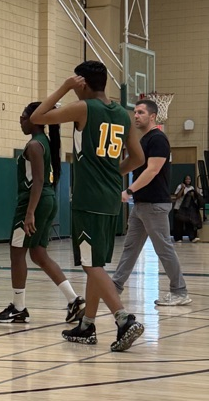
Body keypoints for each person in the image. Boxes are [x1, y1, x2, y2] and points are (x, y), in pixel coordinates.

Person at [31, 61, 145, 352]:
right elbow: (138, 158)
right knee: (96, 265)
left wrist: (64, 87)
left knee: (90, 264)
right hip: (111, 198)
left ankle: (124, 319)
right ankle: (87, 325)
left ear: (82, 82)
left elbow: (37, 117)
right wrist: (112, 173)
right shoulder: (123, 114)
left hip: (88, 198)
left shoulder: (84, 108)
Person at [0, 102, 84, 324]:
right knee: (38, 254)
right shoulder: (45, 142)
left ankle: (18, 307)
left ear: (35, 119)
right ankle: (74, 300)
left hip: (34, 201)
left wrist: (30, 213)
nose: (20, 120)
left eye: (23, 116)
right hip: (47, 199)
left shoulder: (35, 144)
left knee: (17, 252)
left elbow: (39, 180)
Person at [111, 99, 191, 306]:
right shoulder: (144, 140)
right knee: (130, 248)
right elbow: (131, 164)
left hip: (154, 204)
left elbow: (153, 170)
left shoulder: (158, 139)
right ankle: (114, 288)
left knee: (163, 248)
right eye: (135, 112)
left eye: (140, 112)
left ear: (153, 116)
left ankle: (180, 292)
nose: (136, 116)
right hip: (141, 205)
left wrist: (129, 190)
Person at [172, 174, 203, 243]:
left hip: (187, 209)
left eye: (189, 179)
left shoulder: (191, 188)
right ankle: (178, 238)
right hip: (178, 207)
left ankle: (192, 237)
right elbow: (177, 196)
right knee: (178, 224)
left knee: (189, 223)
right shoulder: (180, 186)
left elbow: (194, 198)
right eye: (186, 179)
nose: (188, 180)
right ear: (184, 180)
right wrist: (182, 188)